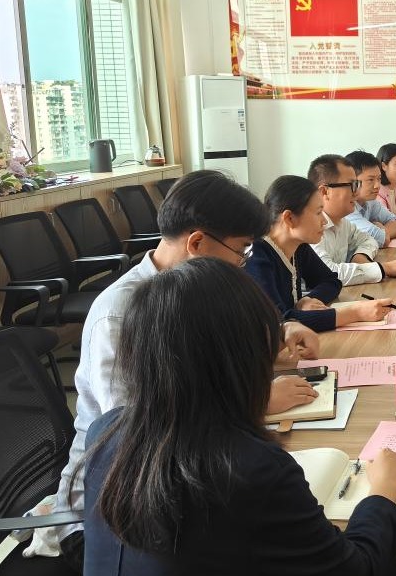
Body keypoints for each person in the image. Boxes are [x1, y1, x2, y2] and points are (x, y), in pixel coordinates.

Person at [33, 170, 321, 570]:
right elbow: (141, 435)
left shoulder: (194, 293)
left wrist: (275, 340)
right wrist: (257, 400)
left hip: (178, 481)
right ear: (197, 243)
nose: (243, 265)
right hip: (112, 513)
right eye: (242, 251)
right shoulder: (121, 314)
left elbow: (200, 369)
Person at [83, 258, 396, 574]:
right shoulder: (253, 470)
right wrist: (383, 492)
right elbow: (355, 568)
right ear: (242, 356)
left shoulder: (105, 431)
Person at [245, 175, 394, 332]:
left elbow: (332, 281)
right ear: (289, 218)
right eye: (318, 212)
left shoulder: (298, 246)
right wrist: (355, 313)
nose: (324, 221)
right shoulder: (257, 256)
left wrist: (308, 299)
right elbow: (279, 322)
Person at [308, 154, 396, 285]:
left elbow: (369, 240)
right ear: (325, 192)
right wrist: (384, 268)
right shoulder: (309, 227)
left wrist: (360, 256)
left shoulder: (343, 223)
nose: (356, 192)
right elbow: (327, 273)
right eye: (352, 185)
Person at [344, 150, 396, 247]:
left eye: (379, 179)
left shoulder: (370, 202)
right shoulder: (346, 207)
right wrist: (381, 233)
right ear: (352, 181)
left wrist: (382, 231)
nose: (377, 185)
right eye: (370, 180)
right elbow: (381, 239)